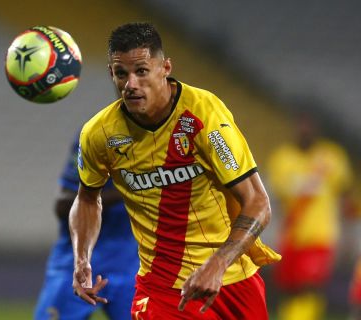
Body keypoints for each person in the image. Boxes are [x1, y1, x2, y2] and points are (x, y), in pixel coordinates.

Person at [69, 22, 280, 319]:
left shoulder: (203, 113)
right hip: (162, 289)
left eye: (141, 71)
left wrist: (217, 264)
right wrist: (81, 259)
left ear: (165, 67)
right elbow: (88, 198)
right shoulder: (99, 134)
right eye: (121, 73)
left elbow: (258, 202)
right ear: (111, 74)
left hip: (233, 279)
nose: (131, 83)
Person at [34, 134, 139, 320]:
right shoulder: (97, 134)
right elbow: (63, 205)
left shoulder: (169, 136)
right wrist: (127, 190)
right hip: (77, 263)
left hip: (133, 264)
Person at [267, 112, 354, 320]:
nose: (305, 130)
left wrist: (348, 235)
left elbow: (345, 197)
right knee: (290, 289)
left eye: (309, 125)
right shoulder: (282, 159)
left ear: (316, 128)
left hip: (320, 236)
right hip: (291, 235)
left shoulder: (332, 157)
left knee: (310, 285)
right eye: (301, 125)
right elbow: (276, 201)